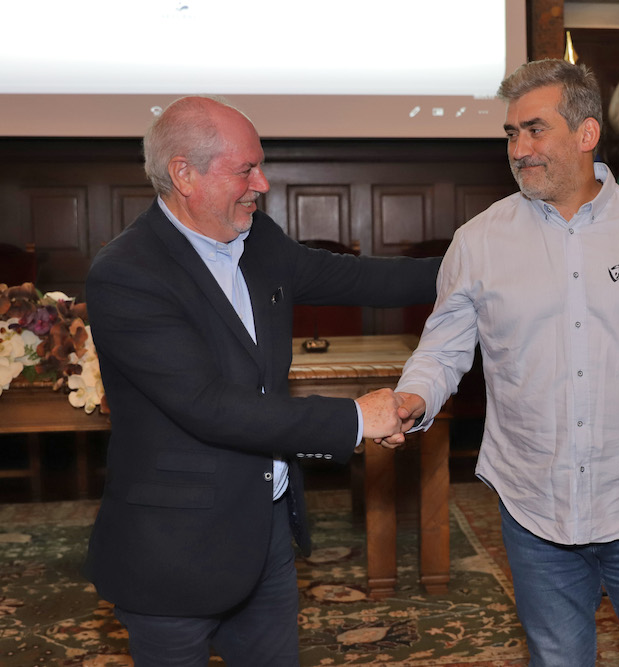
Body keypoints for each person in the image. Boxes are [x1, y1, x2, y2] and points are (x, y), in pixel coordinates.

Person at [385, 60, 619, 666]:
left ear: (587, 134)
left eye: (535, 130)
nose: (519, 148)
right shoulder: (478, 240)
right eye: (511, 134)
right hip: (533, 502)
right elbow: (443, 347)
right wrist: (414, 398)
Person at [82, 96, 438, 666]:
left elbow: (356, 277)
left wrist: (478, 266)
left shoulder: (257, 240)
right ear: (184, 174)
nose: (263, 183)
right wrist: (353, 419)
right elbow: (207, 405)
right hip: (173, 548)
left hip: (264, 531)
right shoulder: (128, 272)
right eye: (246, 168)